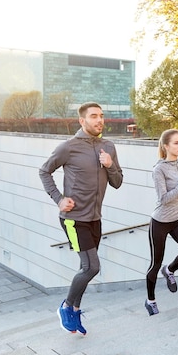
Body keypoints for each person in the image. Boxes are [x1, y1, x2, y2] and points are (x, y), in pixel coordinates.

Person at [39, 102, 123, 335]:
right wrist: (58, 199)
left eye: (101, 116)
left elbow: (117, 182)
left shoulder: (108, 147)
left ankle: (75, 308)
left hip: (95, 218)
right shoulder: (69, 147)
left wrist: (110, 165)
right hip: (74, 219)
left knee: (85, 267)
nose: (99, 120)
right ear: (82, 121)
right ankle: (66, 307)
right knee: (91, 266)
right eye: (93, 116)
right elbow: (44, 171)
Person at [145, 129, 178, 316]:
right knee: (154, 264)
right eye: (176, 143)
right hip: (160, 222)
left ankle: (170, 270)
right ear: (166, 146)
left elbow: (174, 192)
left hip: (177, 219)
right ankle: (150, 300)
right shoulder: (158, 169)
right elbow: (163, 198)